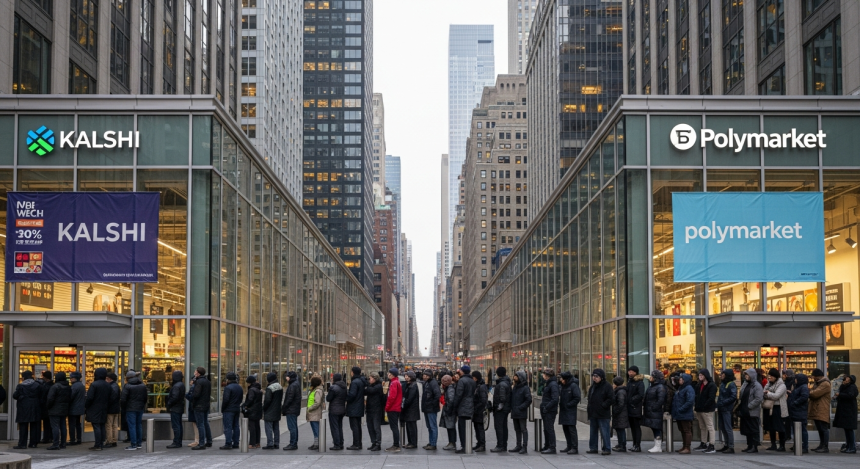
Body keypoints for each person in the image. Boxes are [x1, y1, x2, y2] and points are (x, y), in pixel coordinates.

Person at [586, 368, 613, 456]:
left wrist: (603, 405)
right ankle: (593, 447)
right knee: (593, 431)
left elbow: (611, 399)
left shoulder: (607, 386)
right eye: (593, 376)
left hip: (603, 413)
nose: (594, 378)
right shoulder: (593, 386)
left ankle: (606, 448)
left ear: (601, 377)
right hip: (593, 412)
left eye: (596, 376)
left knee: (604, 432)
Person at [12, 370, 41, 449]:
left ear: (23, 377)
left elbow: (15, 396)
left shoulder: (21, 386)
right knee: (34, 425)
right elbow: (41, 396)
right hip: (35, 407)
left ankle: (22, 444)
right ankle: (33, 443)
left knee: (23, 426)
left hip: (23, 408)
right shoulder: (37, 385)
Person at [85, 368, 111, 451]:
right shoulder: (107, 385)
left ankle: (97, 444)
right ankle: (102, 442)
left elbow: (90, 397)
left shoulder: (94, 384)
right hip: (104, 407)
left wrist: (86, 406)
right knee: (102, 425)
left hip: (94, 407)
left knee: (96, 426)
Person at [450, 365, 475, 454]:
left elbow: (458, 395)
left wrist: (454, 406)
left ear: (462, 371)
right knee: (467, 427)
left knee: (462, 428)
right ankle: (468, 445)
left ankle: (464, 446)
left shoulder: (462, 381)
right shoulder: (472, 380)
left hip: (463, 407)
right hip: (470, 406)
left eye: (460, 370)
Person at [762, 368, 788, 452]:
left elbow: (776, 396)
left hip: (778, 408)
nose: (769, 377)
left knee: (780, 427)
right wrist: (768, 394)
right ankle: (773, 444)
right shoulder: (768, 384)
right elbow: (763, 393)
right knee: (770, 427)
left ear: (776, 377)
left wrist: (768, 393)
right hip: (769, 408)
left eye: (771, 376)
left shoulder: (782, 385)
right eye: (769, 375)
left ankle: (782, 445)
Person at [738, 367, 763, 453]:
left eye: (747, 375)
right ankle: (749, 445)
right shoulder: (745, 384)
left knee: (753, 429)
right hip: (745, 411)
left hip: (752, 411)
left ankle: (754, 446)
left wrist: (749, 406)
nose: (746, 376)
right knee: (747, 429)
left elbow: (758, 398)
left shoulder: (757, 386)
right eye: (745, 375)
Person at [120, 370, 147, 451]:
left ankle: (133, 444)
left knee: (132, 426)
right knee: (138, 425)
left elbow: (123, 399)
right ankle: (139, 443)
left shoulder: (127, 386)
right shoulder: (142, 385)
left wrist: (123, 407)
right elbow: (145, 397)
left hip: (130, 408)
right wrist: (142, 405)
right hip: (140, 408)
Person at [45, 371, 71, 450]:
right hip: (64, 409)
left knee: (55, 426)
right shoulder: (68, 387)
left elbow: (50, 398)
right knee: (63, 426)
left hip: (54, 409)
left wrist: (48, 407)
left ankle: (56, 443)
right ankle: (63, 443)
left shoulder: (55, 387)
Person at [808, 368, 832, 453]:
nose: (813, 378)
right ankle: (821, 445)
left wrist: (808, 392)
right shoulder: (818, 383)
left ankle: (825, 446)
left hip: (822, 409)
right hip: (817, 408)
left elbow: (814, 394)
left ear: (818, 376)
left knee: (823, 428)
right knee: (820, 428)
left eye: (814, 376)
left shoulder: (825, 384)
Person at [644, 370, 668, 453]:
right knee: (654, 428)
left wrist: (654, 407)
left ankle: (658, 446)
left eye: (652, 376)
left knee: (657, 428)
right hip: (651, 411)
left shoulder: (660, 387)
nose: (650, 378)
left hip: (655, 411)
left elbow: (661, 400)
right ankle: (656, 445)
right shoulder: (652, 386)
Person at [693, 369, 717, 453]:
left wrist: (704, 405)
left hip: (707, 409)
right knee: (702, 427)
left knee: (710, 426)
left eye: (702, 375)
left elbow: (711, 398)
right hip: (699, 409)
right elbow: (696, 396)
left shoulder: (711, 385)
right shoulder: (699, 385)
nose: (700, 377)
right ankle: (703, 443)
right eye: (699, 375)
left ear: (706, 375)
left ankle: (712, 444)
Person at [671, 373, 695, 454]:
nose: (680, 380)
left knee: (686, 430)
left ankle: (687, 447)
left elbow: (690, 401)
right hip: (680, 413)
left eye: (681, 379)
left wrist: (681, 409)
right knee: (682, 430)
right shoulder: (681, 388)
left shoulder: (689, 388)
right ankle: (684, 446)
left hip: (685, 413)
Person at [558, 371, 580, 454]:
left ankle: (574, 447)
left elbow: (577, 398)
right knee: (565, 428)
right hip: (564, 410)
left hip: (570, 411)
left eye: (562, 379)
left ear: (566, 379)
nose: (561, 380)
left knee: (571, 429)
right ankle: (569, 445)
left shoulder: (573, 386)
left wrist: (568, 405)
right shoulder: (563, 386)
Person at [190, 367, 212, 450]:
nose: (194, 372)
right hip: (206, 405)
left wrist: (191, 395)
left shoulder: (199, 382)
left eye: (195, 371)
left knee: (200, 424)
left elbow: (196, 394)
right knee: (205, 422)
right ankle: (209, 441)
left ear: (198, 373)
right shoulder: (207, 381)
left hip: (199, 405)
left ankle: (201, 443)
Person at [509, 370, 531, 454]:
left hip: (521, 412)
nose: (514, 377)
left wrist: (520, 407)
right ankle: (518, 445)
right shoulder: (515, 387)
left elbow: (528, 400)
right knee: (517, 429)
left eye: (516, 376)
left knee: (523, 429)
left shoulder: (525, 388)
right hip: (515, 411)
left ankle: (524, 446)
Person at [491, 367, 512, 452]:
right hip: (505, 409)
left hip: (501, 409)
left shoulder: (502, 384)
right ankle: (503, 445)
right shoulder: (506, 382)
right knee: (503, 426)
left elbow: (502, 398)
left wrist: (498, 407)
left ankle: (500, 445)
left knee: (499, 427)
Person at [834, 374, 857, 453]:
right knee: (847, 429)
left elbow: (850, 395)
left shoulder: (852, 387)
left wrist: (840, 395)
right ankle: (848, 446)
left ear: (850, 380)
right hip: (844, 410)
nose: (845, 379)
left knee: (849, 429)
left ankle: (852, 447)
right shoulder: (844, 386)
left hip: (849, 411)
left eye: (847, 378)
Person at [787, 373, 810, 453]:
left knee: (802, 429)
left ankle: (804, 446)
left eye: (796, 379)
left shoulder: (803, 387)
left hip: (800, 411)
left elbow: (804, 397)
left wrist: (794, 403)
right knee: (796, 429)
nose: (795, 380)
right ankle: (798, 444)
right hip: (796, 411)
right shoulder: (798, 387)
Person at [539, 368, 559, 454]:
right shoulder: (548, 383)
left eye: (544, 374)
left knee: (549, 428)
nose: (543, 376)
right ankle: (547, 445)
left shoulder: (553, 384)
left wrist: (546, 407)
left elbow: (555, 399)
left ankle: (552, 446)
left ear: (547, 376)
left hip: (549, 410)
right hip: (546, 409)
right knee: (546, 428)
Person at [345, 366, 366, 450]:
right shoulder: (361, 381)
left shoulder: (355, 382)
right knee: (357, 426)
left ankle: (356, 444)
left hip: (354, 407)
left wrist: (347, 397)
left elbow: (352, 394)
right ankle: (358, 443)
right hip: (359, 406)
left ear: (353, 372)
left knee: (354, 426)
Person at [220, 372, 243, 450]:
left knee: (228, 426)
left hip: (229, 409)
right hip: (236, 408)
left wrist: (223, 409)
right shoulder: (239, 387)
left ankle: (228, 443)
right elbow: (241, 398)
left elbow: (226, 400)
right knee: (236, 426)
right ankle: (236, 443)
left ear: (227, 379)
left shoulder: (228, 387)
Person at [716, 369, 737, 453]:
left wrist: (723, 403)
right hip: (721, 408)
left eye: (723, 375)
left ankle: (731, 446)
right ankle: (726, 444)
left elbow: (733, 397)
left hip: (727, 409)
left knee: (728, 428)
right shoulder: (723, 384)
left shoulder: (731, 384)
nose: (721, 376)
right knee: (722, 427)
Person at [626, 366, 645, 452]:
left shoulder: (639, 382)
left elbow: (640, 395)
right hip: (630, 407)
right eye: (629, 371)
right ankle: (634, 445)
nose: (630, 373)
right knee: (633, 427)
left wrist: (631, 400)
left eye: (632, 371)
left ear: (636, 372)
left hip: (635, 407)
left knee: (636, 427)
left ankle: (637, 445)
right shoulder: (630, 381)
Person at [421, 369, 441, 450]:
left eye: (426, 375)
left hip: (431, 408)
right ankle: (431, 442)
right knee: (429, 426)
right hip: (427, 407)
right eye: (424, 375)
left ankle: (433, 444)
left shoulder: (433, 383)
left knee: (432, 426)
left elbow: (437, 394)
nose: (424, 376)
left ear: (430, 376)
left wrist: (432, 403)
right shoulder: (426, 383)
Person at [326, 373, 348, 450]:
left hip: (334, 410)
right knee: (339, 427)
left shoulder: (333, 388)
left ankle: (337, 444)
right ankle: (341, 443)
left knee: (334, 427)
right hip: (342, 409)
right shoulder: (344, 387)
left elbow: (328, 398)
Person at [365, 372, 385, 451]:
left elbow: (370, 390)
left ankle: (378, 443)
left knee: (376, 427)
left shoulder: (378, 386)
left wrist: (366, 385)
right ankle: (373, 442)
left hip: (376, 409)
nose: (369, 380)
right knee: (370, 427)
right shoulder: (371, 385)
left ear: (375, 378)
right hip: (369, 409)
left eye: (370, 378)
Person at [262, 371, 283, 450]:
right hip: (277, 410)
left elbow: (267, 400)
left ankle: (270, 443)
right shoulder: (280, 386)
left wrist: (264, 408)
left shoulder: (270, 388)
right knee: (276, 428)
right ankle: (276, 443)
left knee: (269, 428)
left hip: (270, 411)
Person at [166, 370, 186, 449]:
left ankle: (176, 442)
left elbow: (174, 397)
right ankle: (178, 441)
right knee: (179, 425)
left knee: (176, 426)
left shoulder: (176, 386)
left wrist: (169, 403)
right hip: (179, 407)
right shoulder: (181, 385)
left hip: (175, 408)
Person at [281, 371, 301, 450]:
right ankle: (293, 442)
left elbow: (289, 398)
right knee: (294, 427)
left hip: (291, 409)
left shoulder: (293, 385)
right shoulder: (295, 384)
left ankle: (293, 443)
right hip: (294, 408)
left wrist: (284, 408)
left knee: (292, 427)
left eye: (287, 376)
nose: (286, 377)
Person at [385, 368, 403, 452]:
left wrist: (387, 407)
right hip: (396, 407)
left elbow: (392, 397)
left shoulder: (394, 383)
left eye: (389, 373)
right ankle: (396, 444)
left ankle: (396, 445)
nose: (388, 375)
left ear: (392, 374)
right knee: (394, 426)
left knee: (394, 427)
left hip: (393, 408)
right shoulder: (396, 382)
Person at [610, 376, 629, 453]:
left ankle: (622, 445)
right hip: (620, 413)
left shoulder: (620, 392)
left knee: (621, 430)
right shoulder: (619, 391)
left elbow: (621, 403)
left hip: (621, 414)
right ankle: (620, 444)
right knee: (619, 429)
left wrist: (616, 410)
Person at [242, 375, 263, 449]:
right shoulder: (258, 389)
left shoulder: (251, 390)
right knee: (257, 426)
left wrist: (245, 405)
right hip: (258, 410)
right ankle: (257, 443)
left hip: (252, 410)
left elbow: (250, 399)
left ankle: (252, 443)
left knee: (252, 427)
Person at [402, 371, 421, 449]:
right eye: (405, 376)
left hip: (411, 410)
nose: (406, 377)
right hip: (409, 410)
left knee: (412, 427)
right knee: (409, 427)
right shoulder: (408, 385)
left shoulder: (413, 386)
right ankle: (410, 442)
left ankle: (413, 443)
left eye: (408, 376)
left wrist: (403, 405)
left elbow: (410, 399)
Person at [440, 374, 458, 451]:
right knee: (450, 427)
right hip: (450, 410)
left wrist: (448, 410)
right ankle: (451, 442)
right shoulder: (450, 387)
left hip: (450, 411)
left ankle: (452, 443)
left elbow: (451, 400)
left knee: (450, 427)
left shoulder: (450, 388)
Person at [470, 371, 488, 452]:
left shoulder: (481, 387)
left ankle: (482, 445)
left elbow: (483, 400)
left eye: (473, 377)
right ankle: (479, 443)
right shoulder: (477, 385)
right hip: (476, 410)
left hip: (479, 411)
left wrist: (476, 408)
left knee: (480, 428)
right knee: (476, 428)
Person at [306, 375, 325, 450]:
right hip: (312, 413)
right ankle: (316, 443)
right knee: (315, 428)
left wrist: (310, 408)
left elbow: (317, 402)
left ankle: (317, 444)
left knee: (316, 429)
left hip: (314, 413)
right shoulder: (315, 390)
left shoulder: (317, 391)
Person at [67, 372, 85, 447]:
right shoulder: (82, 386)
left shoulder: (74, 386)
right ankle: (79, 439)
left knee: (72, 424)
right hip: (79, 408)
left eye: (72, 378)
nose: (70, 379)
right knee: (78, 424)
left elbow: (71, 397)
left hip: (73, 408)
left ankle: (72, 439)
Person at [104, 372, 121, 448]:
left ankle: (109, 441)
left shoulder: (110, 387)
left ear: (109, 379)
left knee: (109, 425)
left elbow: (110, 399)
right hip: (116, 408)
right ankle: (114, 440)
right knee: (114, 425)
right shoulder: (116, 386)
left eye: (106, 378)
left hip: (110, 409)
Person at [37, 371, 54, 445]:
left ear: (45, 377)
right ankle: (51, 437)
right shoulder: (53, 385)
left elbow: (43, 397)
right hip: (52, 407)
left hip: (45, 407)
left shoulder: (45, 386)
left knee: (46, 423)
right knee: (51, 423)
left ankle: (46, 438)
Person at [782, 369, 796, 442]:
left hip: (790, 403)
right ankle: (787, 435)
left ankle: (789, 436)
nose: (783, 376)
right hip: (787, 403)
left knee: (789, 421)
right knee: (787, 421)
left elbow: (794, 392)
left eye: (784, 374)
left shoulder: (792, 382)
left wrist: (789, 393)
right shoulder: (787, 382)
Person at [185, 376, 199, 447]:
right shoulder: (197, 386)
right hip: (197, 407)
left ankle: (197, 441)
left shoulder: (194, 387)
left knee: (196, 424)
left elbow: (191, 397)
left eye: (191, 380)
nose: (190, 382)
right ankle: (198, 440)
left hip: (194, 407)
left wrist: (186, 395)